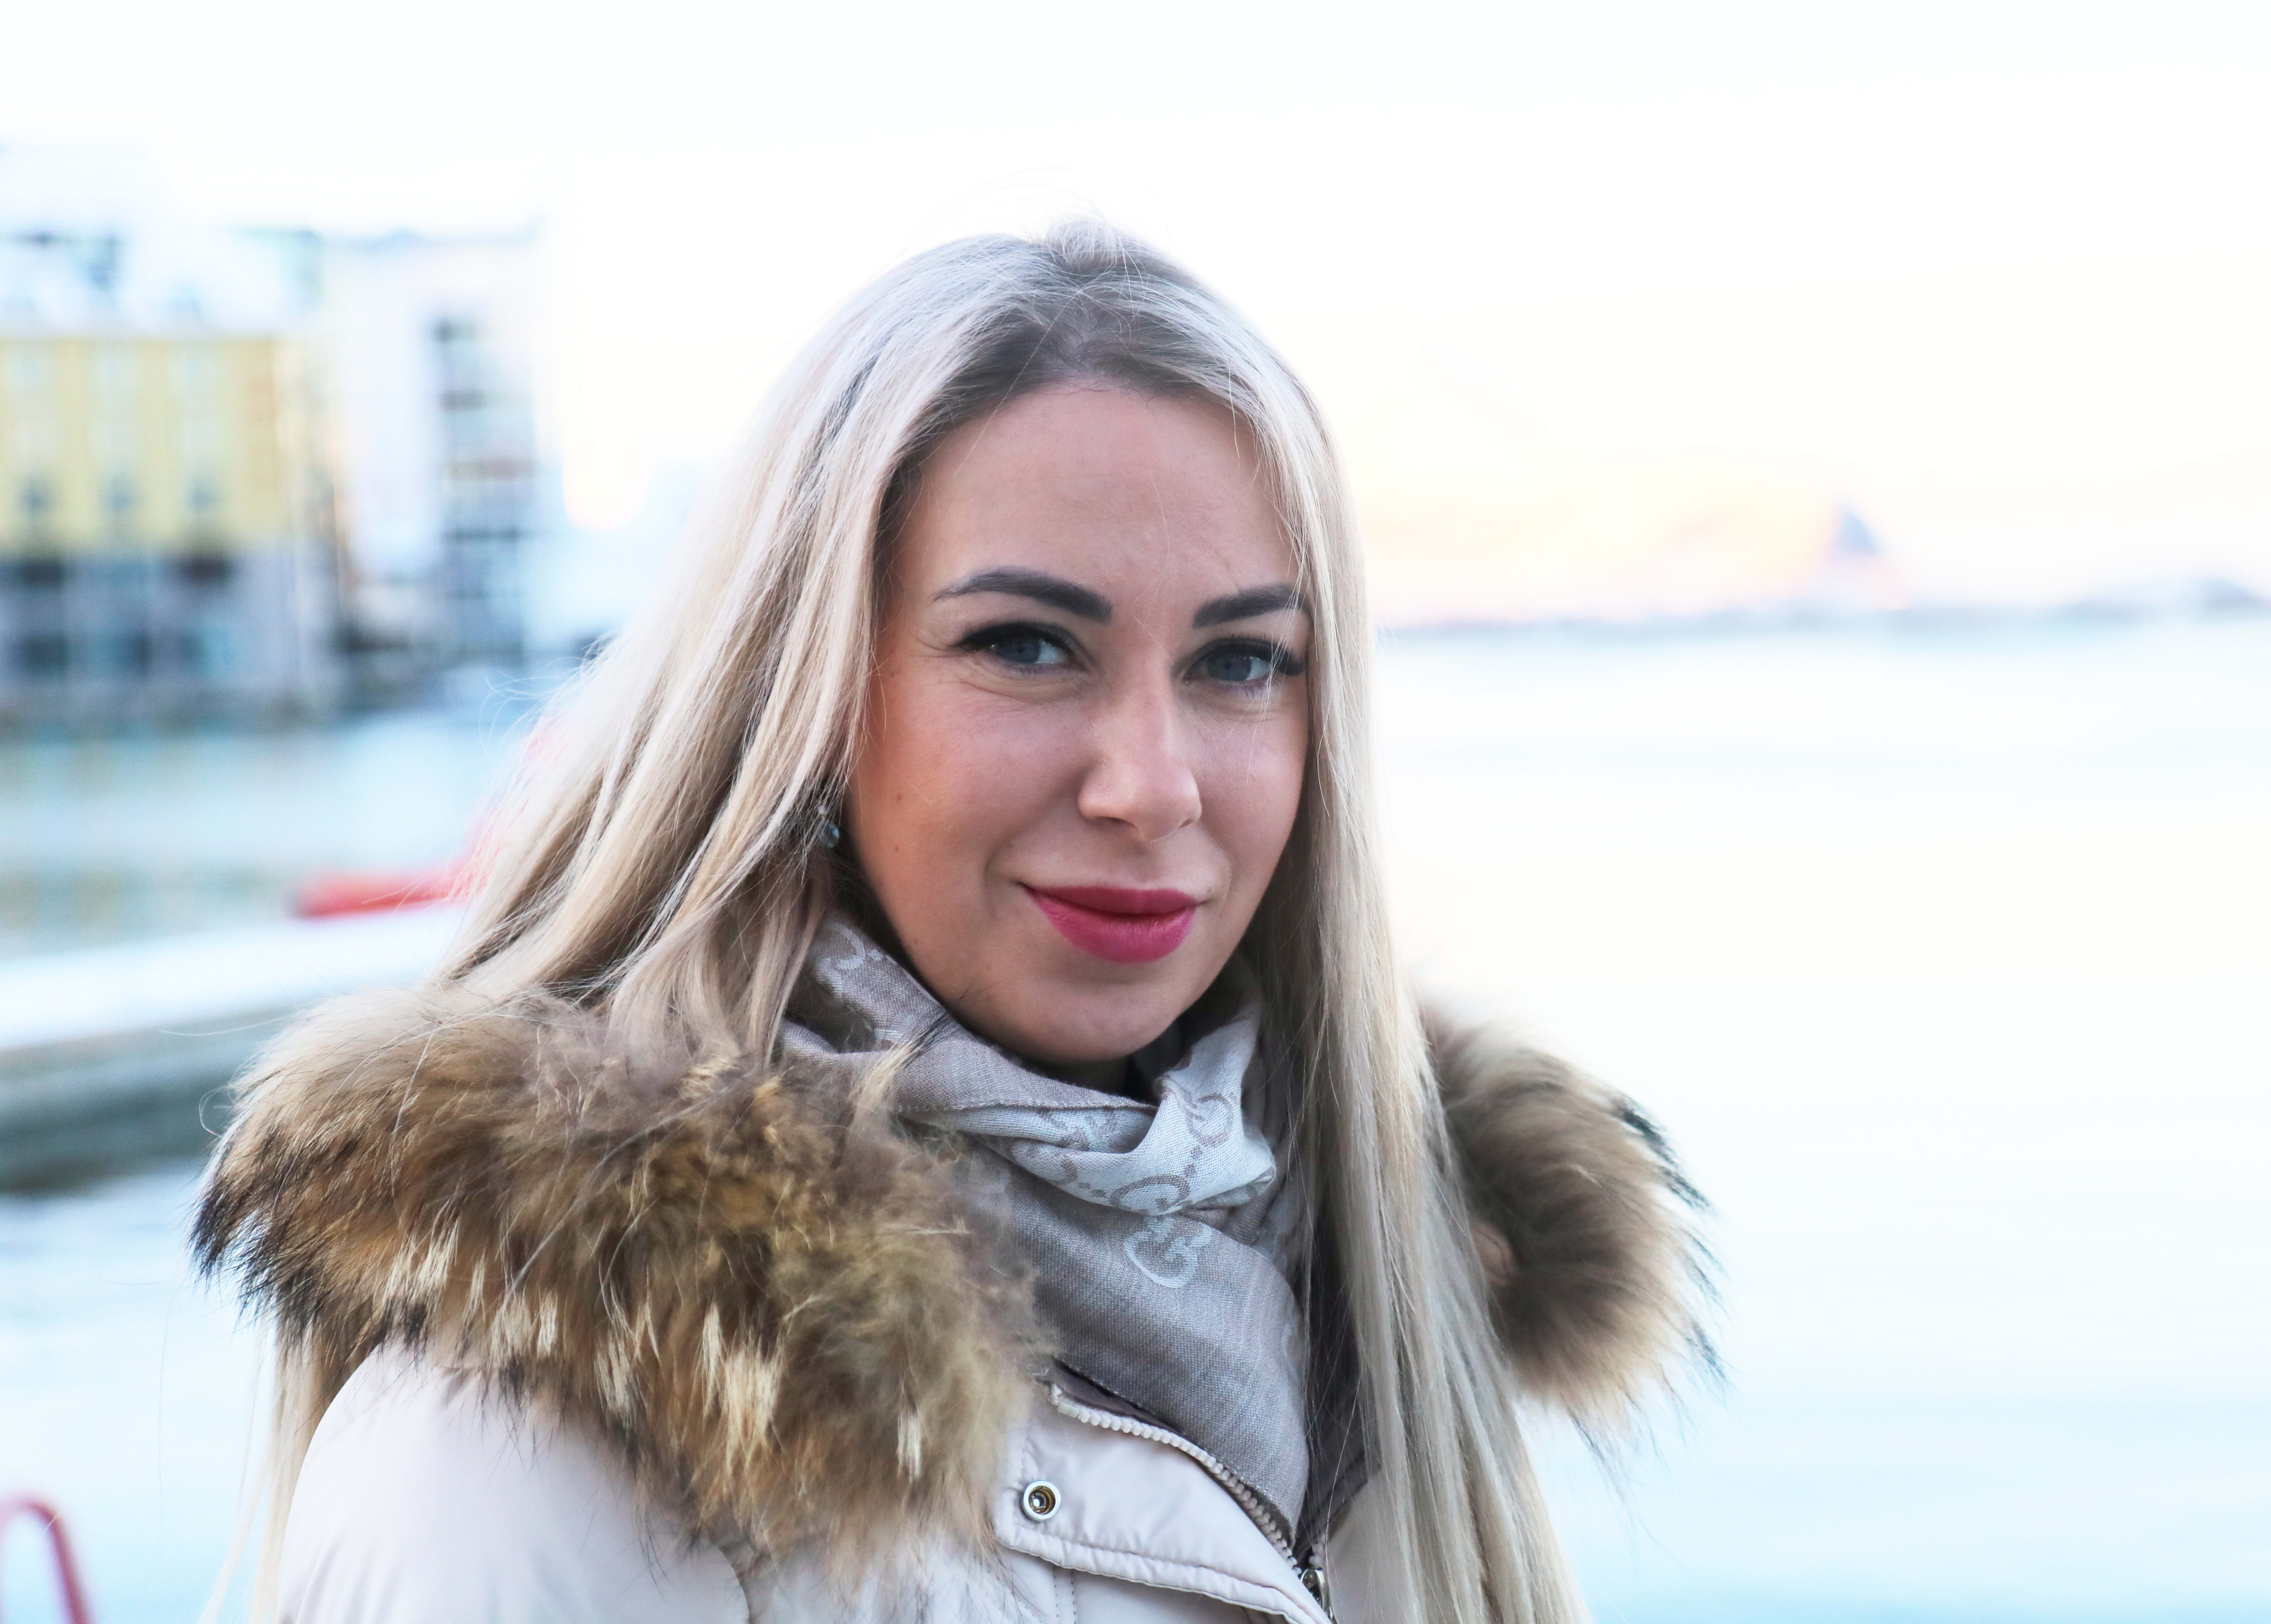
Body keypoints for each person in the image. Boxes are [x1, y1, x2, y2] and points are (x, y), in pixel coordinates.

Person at [194, 222, 1706, 1623]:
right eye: (1028, 646)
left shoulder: (1391, 1284)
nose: (1152, 784)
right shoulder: (525, 1460)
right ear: (810, 696)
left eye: (1241, 662)